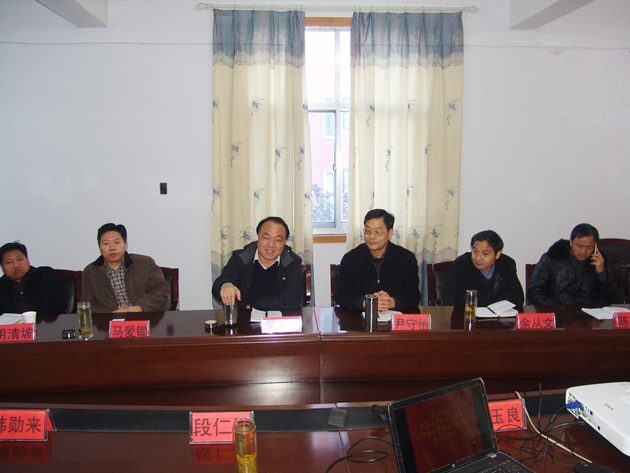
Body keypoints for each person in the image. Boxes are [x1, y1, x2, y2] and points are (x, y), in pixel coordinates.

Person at [335, 209, 420, 312]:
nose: (371, 237)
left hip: (395, 317)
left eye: (378, 232)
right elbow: (342, 294)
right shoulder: (351, 259)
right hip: (359, 317)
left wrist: (391, 302)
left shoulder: (406, 259)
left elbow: (413, 294)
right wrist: (366, 302)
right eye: (368, 231)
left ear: (390, 233)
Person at [212, 216, 303, 310]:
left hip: (279, 317)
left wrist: (253, 306)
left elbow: (292, 299)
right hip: (244, 317)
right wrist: (226, 285)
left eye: (278, 240)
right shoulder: (241, 258)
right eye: (266, 238)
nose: (271, 244)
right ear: (258, 237)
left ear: (284, 242)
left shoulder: (292, 262)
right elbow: (218, 285)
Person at [82, 223, 170, 313]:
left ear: (125, 245)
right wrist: (111, 314)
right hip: (109, 319)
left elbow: (161, 290)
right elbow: (88, 304)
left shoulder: (145, 263)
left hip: (145, 316)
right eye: (106, 243)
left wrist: (139, 307)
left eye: (117, 242)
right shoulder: (90, 272)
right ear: (100, 248)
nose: (112, 248)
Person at [527, 223, 620, 305]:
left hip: (589, 316)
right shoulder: (552, 258)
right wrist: (558, 305)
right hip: (558, 313)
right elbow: (533, 292)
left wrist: (601, 273)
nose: (583, 251)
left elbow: (613, 299)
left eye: (589, 247)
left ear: (595, 246)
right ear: (571, 242)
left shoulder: (599, 262)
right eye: (579, 246)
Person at [452, 230, 524, 307]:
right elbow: (460, 300)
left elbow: (518, 297)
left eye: (485, 253)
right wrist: (494, 291)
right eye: (475, 251)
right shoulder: (462, 264)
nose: (478, 258)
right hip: (470, 314)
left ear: (497, 254)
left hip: (499, 314)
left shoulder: (507, 264)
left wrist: (484, 298)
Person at [0, 242, 66, 315]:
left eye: (19, 259)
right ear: (2, 268)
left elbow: (59, 305)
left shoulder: (45, 275)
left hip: (46, 321)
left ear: (27, 260)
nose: (16, 265)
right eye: (9, 262)